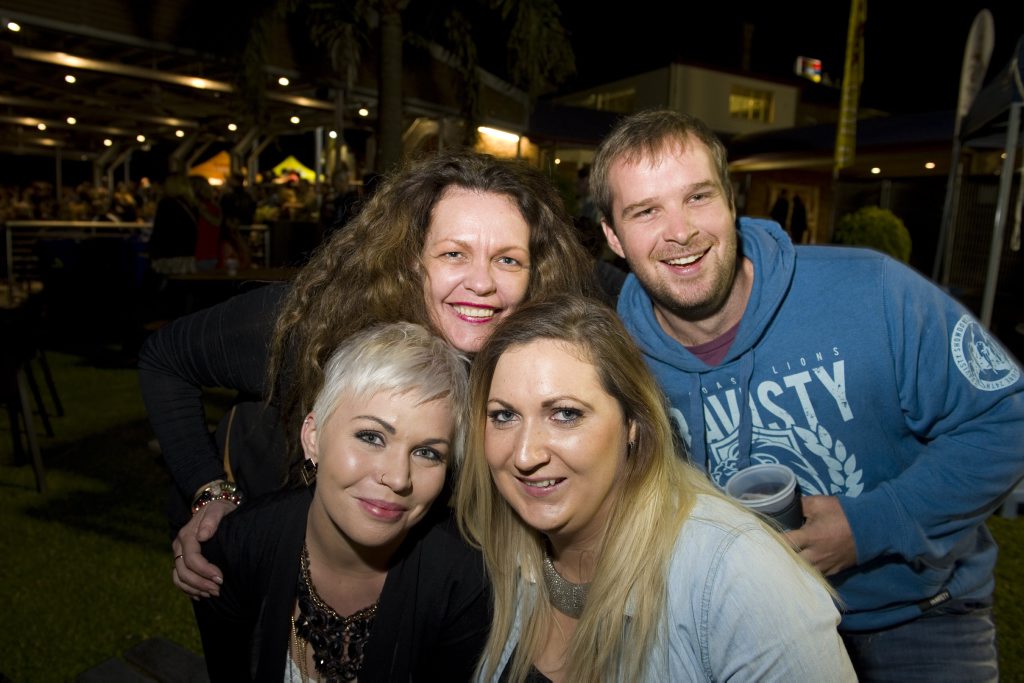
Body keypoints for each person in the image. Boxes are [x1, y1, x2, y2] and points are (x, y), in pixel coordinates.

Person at [591, 109, 1024, 681]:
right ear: (613, 237)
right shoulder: (614, 362)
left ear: (731, 200)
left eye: (697, 197)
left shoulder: (871, 292)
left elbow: (1006, 420)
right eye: (647, 211)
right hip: (738, 629)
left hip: (917, 618)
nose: (680, 231)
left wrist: (872, 524)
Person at [139, 150, 598, 599]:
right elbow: (164, 358)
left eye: (508, 260)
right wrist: (208, 492)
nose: (481, 283)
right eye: (454, 253)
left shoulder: (521, 364)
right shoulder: (315, 326)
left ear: (537, 274)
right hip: (243, 543)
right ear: (411, 260)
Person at [455, 296, 854, 681]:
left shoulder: (737, 574)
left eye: (565, 414)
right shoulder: (506, 554)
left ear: (633, 424)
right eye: (504, 415)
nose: (524, 455)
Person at [192, 321, 489, 681]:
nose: (397, 477)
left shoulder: (465, 582)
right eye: (371, 436)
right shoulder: (238, 548)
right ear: (313, 437)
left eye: (427, 452)